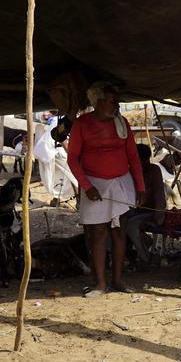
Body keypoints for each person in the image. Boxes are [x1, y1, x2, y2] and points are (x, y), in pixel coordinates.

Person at [67, 82, 145, 297]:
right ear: (98, 103)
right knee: (98, 234)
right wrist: (87, 186)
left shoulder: (122, 123)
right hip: (94, 183)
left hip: (121, 182)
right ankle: (100, 284)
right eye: (112, 101)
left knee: (119, 231)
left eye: (117, 101)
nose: (116, 106)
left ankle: (118, 280)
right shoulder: (82, 124)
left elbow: (133, 157)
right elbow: (72, 158)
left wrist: (140, 185)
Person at [124, 143, 168, 268]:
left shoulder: (154, 170)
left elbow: (160, 196)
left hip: (151, 212)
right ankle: (140, 245)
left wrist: (158, 216)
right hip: (136, 210)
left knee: (131, 225)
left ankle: (145, 258)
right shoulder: (131, 171)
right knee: (119, 222)